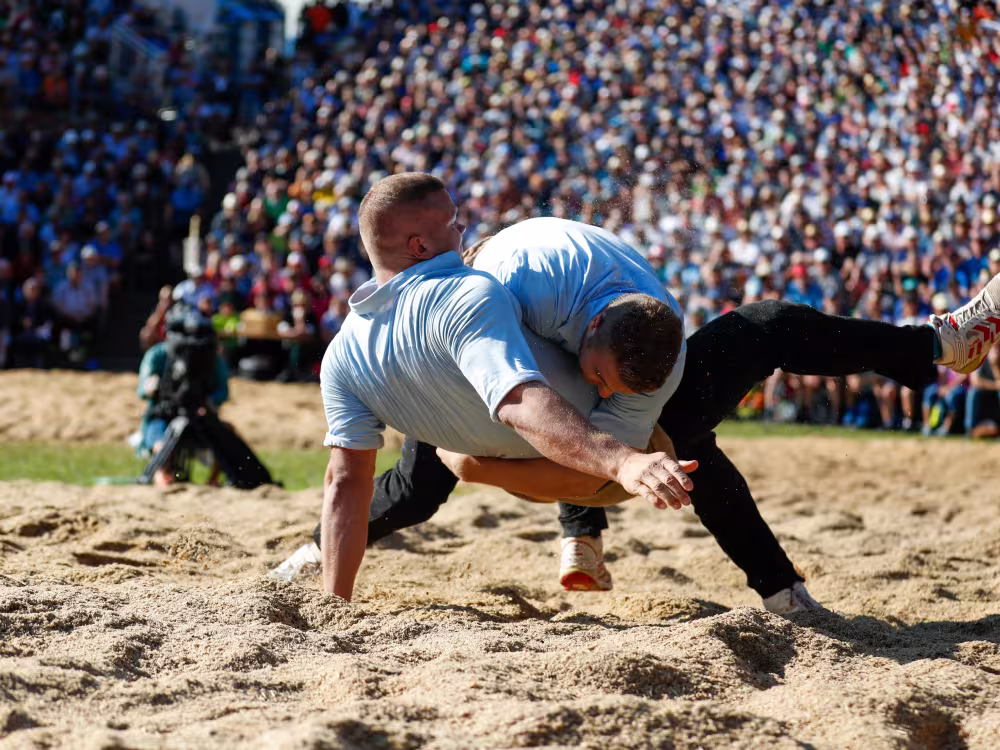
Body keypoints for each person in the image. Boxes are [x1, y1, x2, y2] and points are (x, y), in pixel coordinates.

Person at [275, 200, 1000, 615]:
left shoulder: (651, 350)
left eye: (625, 386)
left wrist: (606, 476)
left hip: (566, 380)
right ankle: (316, 547)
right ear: (589, 332)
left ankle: (937, 345)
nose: (616, 390)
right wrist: (477, 467)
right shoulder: (499, 291)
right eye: (605, 376)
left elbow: (599, 460)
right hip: (474, 375)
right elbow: (545, 415)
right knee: (419, 482)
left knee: (714, 402)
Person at [311, 172, 697, 602]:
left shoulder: (341, 356)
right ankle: (584, 534)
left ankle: (322, 579)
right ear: (419, 246)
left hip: (502, 447)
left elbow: (345, 482)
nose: (462, 229)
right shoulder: (472, 294)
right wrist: (623, 462)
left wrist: (336, 603)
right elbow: (519, 403)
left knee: (404, 492)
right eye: (451, 221)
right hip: (567, 452)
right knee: (664, 436)